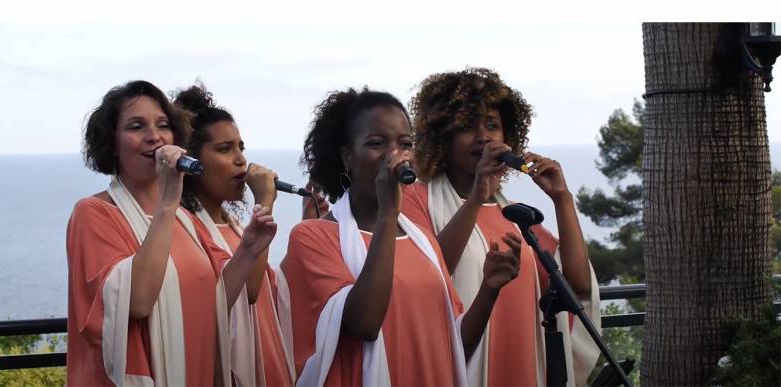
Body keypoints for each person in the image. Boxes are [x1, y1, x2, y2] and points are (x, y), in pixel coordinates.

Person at [281, 87, 520, 386]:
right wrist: (389, 214)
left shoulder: (423, 241)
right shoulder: (313, 237)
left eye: (404, 143)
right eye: (377, 143)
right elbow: (365, 323)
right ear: (347, 157)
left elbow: (455, 348)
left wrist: (489, 289)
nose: (395, 155)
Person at [66, 80, 276, 386]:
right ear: (112, 143)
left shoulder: (186, 220)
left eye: (163, 126)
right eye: (137, 126)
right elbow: (136, 302)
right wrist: (166, 203)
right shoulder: (94, 214)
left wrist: (248, 250)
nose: (154, 137)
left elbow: (217, 300)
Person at [403, 67, 601, 387]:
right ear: (443, 139)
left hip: (521, 365)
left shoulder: (512, 214)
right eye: (467, 127)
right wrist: (478, 194)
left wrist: (562, 199)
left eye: (492, 126)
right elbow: (430, 274)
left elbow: (576, 283)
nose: (483, 136)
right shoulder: (415, 200)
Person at [173, 83, 326, 386]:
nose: (241, 160)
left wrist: (307, 225)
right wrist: (264, 203)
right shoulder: (185, 230)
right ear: (193, 162)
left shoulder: (235, 228)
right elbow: (249, 294)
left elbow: (273, 288)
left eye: (241, 147)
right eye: (224, 149)